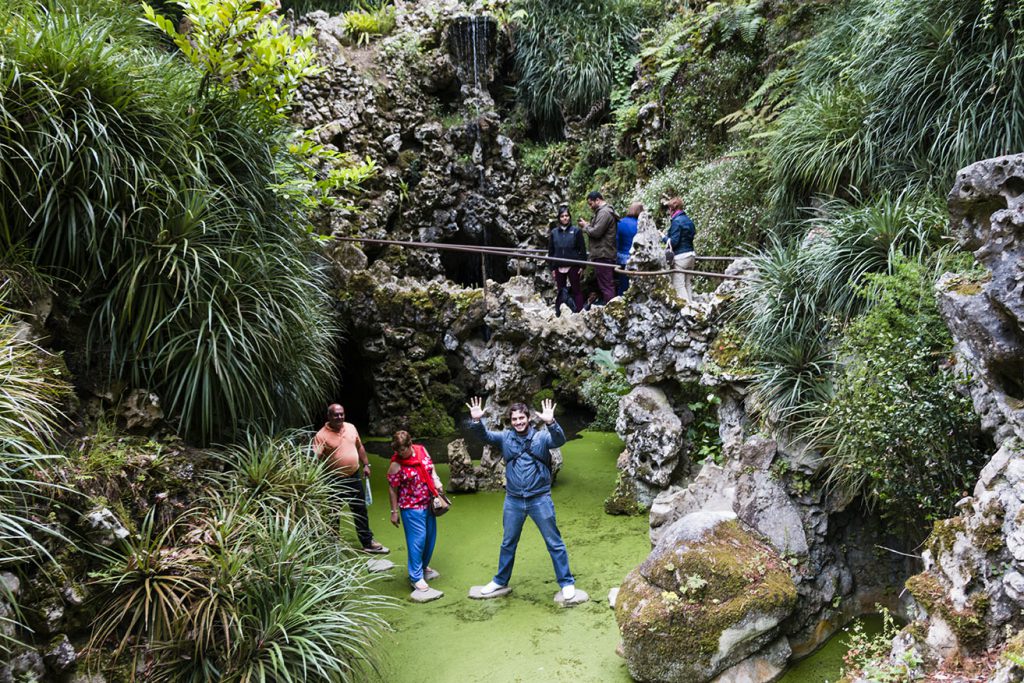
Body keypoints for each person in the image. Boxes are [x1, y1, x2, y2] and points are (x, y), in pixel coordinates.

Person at [465, 396, 577, 601]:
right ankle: (500, 580)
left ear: (528, 418)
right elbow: (484, 437)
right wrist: (476, 420)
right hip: (514, 500)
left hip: (539, 499)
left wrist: (551, 422)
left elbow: (559, 440)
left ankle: (566, 582)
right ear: (511, 421)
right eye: (514, 419)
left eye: (521, 418)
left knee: (554, 542)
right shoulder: (505, 437)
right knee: (508, 542)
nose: (518, 422)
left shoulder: (542, 437)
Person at [312, 404, 388, 554]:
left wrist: (366, 464)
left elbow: (359, 446)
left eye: (341, 414)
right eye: (336, 415)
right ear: (329, 416)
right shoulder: (321, 436)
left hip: (353, 476)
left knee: (360, 510)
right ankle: (333, 544)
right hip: (334, 479)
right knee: (333, 512)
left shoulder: (351, 427)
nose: (339, 417)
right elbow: (315, 459)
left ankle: (367, 542)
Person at [387, 430, 444, 600]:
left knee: (430, 538)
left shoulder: (421, 450)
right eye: (397, 450)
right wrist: (394, 511)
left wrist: (436, 479)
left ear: (410, 445)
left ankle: (424, 566)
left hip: (428, 503)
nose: (400, 453)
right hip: (411, 507)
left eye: (403, 450)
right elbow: (392, 488)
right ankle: (415, 577)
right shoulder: (396, 464)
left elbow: (430, 467)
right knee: (417, 540)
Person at [578, 190, 619, 305]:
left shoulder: (604, 213)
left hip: (603, 254)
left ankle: (612, 310)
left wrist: (586, 227)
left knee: (606, 285)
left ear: (598, 200)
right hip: (603, 253)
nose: (590, 207)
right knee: (605, 284)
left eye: (591, 204)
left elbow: (596, 232)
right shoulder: (603, 212)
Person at [547, 205, 587, 314]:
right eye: (562, 216)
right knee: (561, 290)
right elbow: (551, 251)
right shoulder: (554, 232)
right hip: (558, 265)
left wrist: (582, 266)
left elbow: (582, 250)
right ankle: (560, 312)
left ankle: (579, 313)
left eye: (567, 216)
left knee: (576, 290)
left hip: (573, 265)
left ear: (569, 217)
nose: (565, 218)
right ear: (559, 218)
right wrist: (552, 268)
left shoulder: (576, 231)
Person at [664, 196, 696, 300]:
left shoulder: (676, 221)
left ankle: (687, 311)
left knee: (679, 285)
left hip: (681, 258)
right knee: (687, 284)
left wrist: (664, 238)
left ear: (671, 209)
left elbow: (674, 242)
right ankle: (692, 308)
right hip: (691, 255)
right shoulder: (688, 220)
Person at [616, 201, 642, 296]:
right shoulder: (640, 224)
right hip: (636, 259)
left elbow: (616, 240)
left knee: (623, 284)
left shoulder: (620, 222)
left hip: (622, 258)